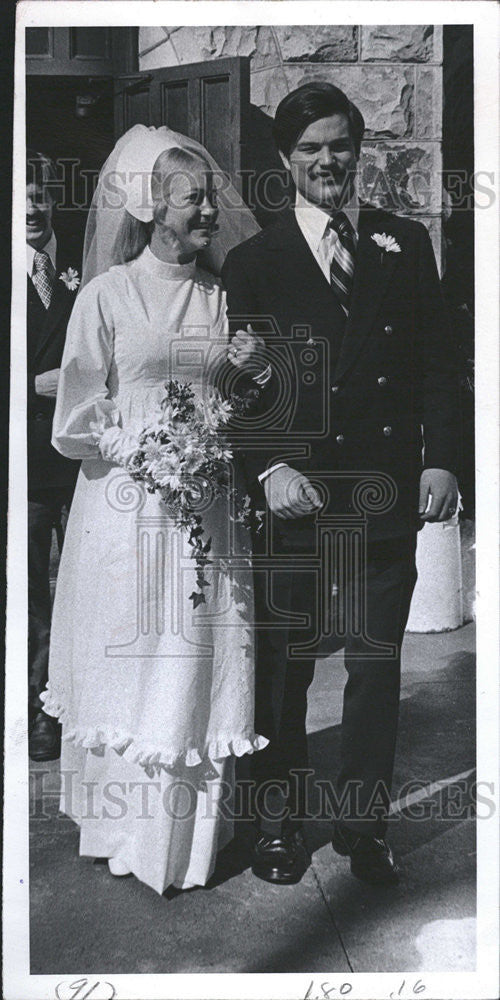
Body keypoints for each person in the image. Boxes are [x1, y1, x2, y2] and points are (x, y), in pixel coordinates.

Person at [222, 82, 460, 886]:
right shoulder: (254, 262)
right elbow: (238, 389)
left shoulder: (404, 242)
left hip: (387, 496)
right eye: (310, 149)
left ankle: (362, 827)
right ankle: (281, 826)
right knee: (286, 674)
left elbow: (439, 364)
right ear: (287, 162)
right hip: (298, 503)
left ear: (359, 150)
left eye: (340, 144)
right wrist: (269, 465)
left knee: (374, 667)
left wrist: (442, 458)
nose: (328, 161)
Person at [41, 125, 268, 894]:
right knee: (132, 659)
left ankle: (186, 842)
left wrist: (247, 375)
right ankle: (122, 829)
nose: (210, 208)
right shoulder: (106, 294)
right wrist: (140, 451)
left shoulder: (222, 295)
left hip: (207, 512)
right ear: (153, 209)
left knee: (192, 656)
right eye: (193, 197)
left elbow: (242, 402)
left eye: (211, 195)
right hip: (121, 505)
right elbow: (75, 412)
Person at [27, 149, 80, 761]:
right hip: (27, 461)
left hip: (82, 456)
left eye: (40, 194)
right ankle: (42, 707)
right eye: (22, 195)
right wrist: (28, 387)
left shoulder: (83, 272)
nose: (32, 206)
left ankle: (81, 696)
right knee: (34, 591)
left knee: (85, 583)